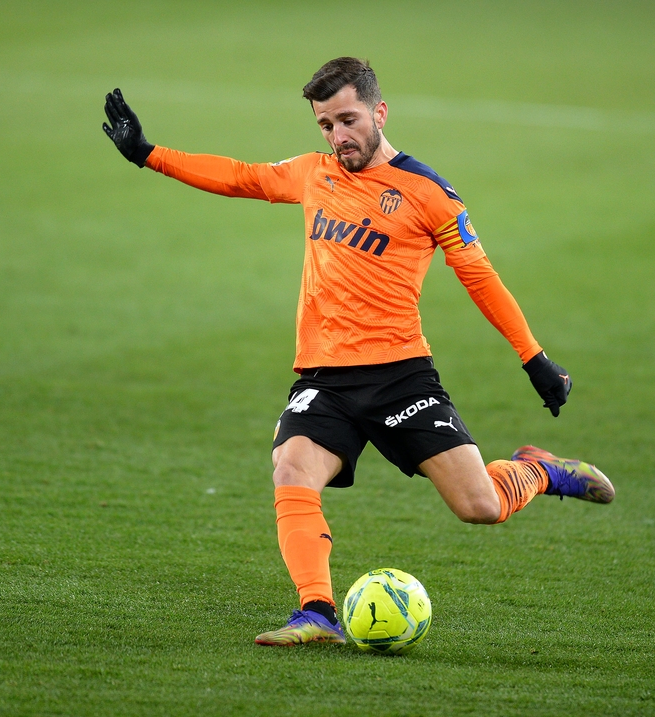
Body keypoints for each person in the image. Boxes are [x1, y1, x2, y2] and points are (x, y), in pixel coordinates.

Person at [103, 57, 615, 647]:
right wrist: (147, 152)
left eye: (347, 121)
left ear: (379, 112)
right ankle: (317, 613)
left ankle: (538, 469)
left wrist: (534, 359)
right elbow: (241, 176)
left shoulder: (429, 193)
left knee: (479, 506)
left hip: (401, 376)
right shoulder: (312, 174)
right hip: (324, 375)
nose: (337, 137)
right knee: (292, 468)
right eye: (325, 125)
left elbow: (480, 277)